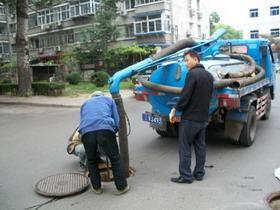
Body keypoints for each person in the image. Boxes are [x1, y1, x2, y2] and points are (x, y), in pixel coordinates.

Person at [169, 50, 214, 184]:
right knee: (200, 147)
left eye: (187, 60)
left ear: (195, 59)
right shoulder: (209, 76)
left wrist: (176, 108)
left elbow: (185, 95)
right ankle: (199, 173)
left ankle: (186, 176)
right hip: (203, 118)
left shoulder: (192, 75)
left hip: (190, 119)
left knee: (185, 147)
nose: (185, 63)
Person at [79, 90, 129, 195]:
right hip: (105, 129)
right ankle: (121, 187)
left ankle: (97, 188)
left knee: (91, 161)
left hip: (86, 132)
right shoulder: (109, 100)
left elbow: (83, 120)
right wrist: (112, 132)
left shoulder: (85, 104)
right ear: (102, 95)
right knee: (115, 159)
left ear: (92, 97)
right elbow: (116, 118)